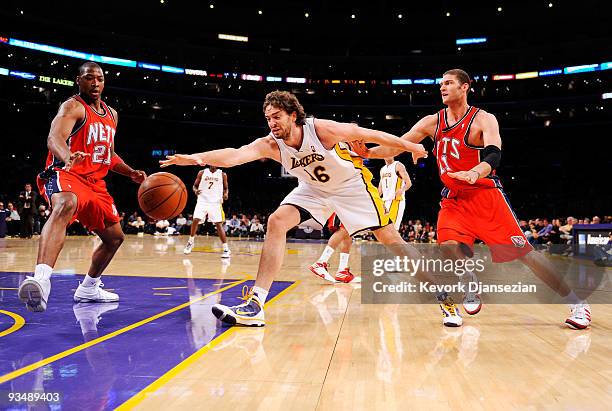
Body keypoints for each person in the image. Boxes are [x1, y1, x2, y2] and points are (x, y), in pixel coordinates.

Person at [160, 90, 440, 327]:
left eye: (277, 117)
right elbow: (234, 155)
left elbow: (367, 133)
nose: (272, 123)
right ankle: (256, 303)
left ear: (293, 115)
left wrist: (409, 146)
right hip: (314, 188)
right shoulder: (271, 144)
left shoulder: (321, 130)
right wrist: (195, 158)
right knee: (276, 221)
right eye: (268, 118)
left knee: (391, 240)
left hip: (350, 187)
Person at [351, 68, 591, 329]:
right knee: (447, 244)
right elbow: (397, 145)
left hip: (485, 195)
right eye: (441, 83)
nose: (442, 87)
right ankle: (469, 279)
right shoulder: (432, 121)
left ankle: (578, 303)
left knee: (526, 254)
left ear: (464, 87)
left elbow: (494, 154)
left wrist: (476, 172)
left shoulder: (483, 119)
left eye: (449, 83)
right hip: (454, 198)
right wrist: (367, 153)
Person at [17, 62, 146, 313]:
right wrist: (67, 156)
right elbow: (54, 137)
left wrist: (129, 171)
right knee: (66, 203)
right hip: (67, 174)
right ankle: (41, 281)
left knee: (115, 238)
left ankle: (89, 288)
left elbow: (107, 153)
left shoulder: (112, 115)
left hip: (95, 183)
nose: (95, 83)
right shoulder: (73, 106)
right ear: (79, 80)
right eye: (89, 78)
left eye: (99, 79)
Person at [183, 166, 230, 257]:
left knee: (218, 225)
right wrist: (196, 191)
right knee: (195, 220)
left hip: (215, 203)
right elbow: (194, 186)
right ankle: (190, 242)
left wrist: (226, 194)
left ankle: (226, 249)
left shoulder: (222, 174)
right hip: (202, 200)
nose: (213, 164)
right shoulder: (202, 172)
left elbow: (226, 188)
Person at [379, 157, 411, 231]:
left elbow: (409, 183)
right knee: (382, 229)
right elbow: (380, 189)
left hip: (395, 200)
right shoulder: (382, 169)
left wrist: (402, 189)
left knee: (392, 229)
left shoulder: (398, 165)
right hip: (384, 202)